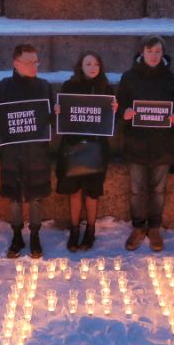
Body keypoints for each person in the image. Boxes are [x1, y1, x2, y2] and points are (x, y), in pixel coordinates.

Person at [117, 35, 174, 252]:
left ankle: (154, 227)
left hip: (163, 144)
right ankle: (138, 226)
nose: (154, 56)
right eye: (150, 51)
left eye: (157, 51)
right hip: (136, 142)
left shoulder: (172, 79)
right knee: (136, 190)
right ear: (142, 53)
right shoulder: (129, 77)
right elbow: (120, 105)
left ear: (163, 54)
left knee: (158, 191)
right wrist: (125, 113)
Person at [0, 44, 54, 258]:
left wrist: (57, 112)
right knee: (15, 198)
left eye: (36, 61)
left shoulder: (44, 86)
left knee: (36, 197)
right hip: (12, 151)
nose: (34, 66)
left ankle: (35, 234)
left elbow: (52, 118)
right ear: (16, 63)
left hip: (36, 151)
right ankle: (17, 235)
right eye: (29, 62)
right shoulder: (4, 86)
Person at [54, 50, 116, 252]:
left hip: (97, 147)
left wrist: (113, 109)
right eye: (88, 63)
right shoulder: (69, 86)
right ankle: (74, 229)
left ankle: (90, 230)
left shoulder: (107, 88)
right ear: (81, 66)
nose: (92, 67)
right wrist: (59, 110)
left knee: (92, 192)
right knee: (74, 190)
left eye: (96, 64)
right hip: (73, 145)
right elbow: (62, 116)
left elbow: (109, 120)